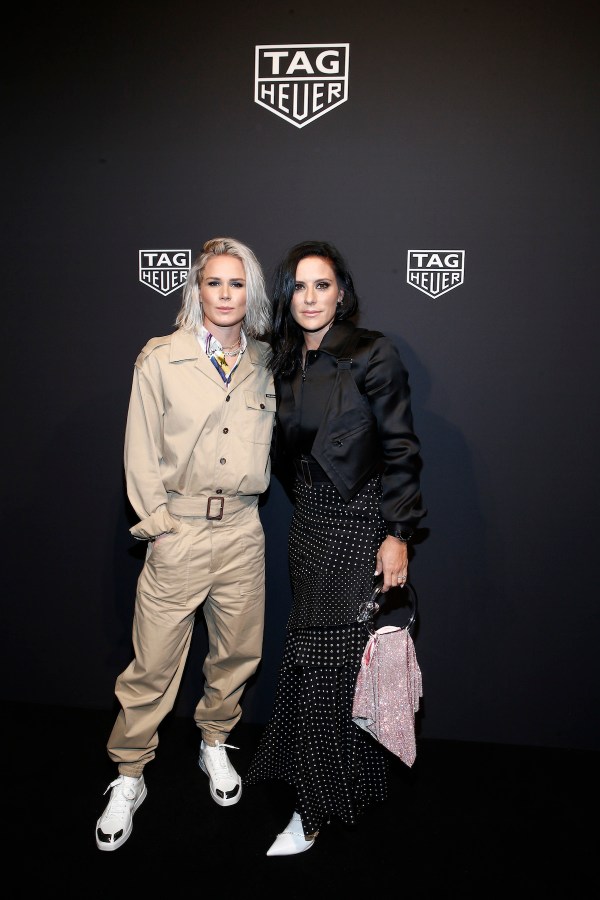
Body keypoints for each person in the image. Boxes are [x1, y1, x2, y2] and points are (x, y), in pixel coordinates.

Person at [245, 239, 426, 856]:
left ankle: (313, 808)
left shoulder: (372, 352)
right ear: (286, 296)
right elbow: (286, 454)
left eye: (322, 285)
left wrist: (397, 534)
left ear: (341, 292)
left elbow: (400, 447)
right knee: (320, 662)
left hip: (360, 524)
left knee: (331, 669)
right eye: (299, 286)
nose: (311, 297)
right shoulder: (284, 361)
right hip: (309, 526)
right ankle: (345, 780)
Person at [95, 237, 275, 851]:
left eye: (237, 284)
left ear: (251, 293)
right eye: (214, 283)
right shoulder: (161, 359)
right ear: (195, 289)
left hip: (244, 532)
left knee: (236, 655)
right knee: (151, 665)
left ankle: (214, 743)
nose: (225, 294)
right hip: (179, 531)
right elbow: (140, 450)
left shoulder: (266, 363)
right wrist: (159, 525)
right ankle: (129, 774)